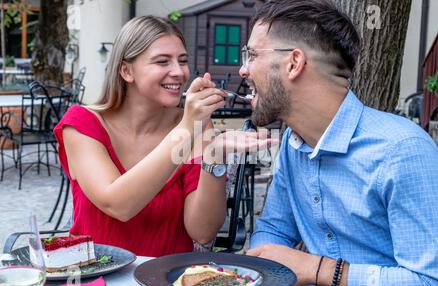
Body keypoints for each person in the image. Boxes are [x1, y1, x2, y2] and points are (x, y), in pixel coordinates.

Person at [244, 0, 438, 286]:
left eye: (251, 55)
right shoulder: (294, 145)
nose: (243, 69)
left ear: (293, 63)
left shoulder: (403, 152)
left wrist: (320, 270)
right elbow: (274, 231)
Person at [54, 16, 274, 257]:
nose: (179, 72)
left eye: (183, 61)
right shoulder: (82, 123)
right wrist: (186, 129)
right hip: (97, 280)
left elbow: (202, 232)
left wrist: (214, 157)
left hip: (168, 281)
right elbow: (118, 205)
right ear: (127, 71)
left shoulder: (197, 126)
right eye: (162, 62)